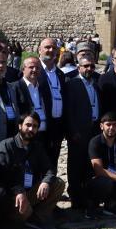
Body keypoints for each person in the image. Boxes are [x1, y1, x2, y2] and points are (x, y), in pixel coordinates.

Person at [0, 112, 65, 229]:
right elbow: (1, 175)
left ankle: (36, 219)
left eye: (35, 126)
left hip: (30, 192)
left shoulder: (37, 147)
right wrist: (18, 191)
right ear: (20, 126)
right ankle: (18, 218)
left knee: (58, 183)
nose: (31, 129)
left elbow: (49, 168)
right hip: (13, 195)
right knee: (23, 212)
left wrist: (46, 182)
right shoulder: (6, 145)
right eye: (28, 125)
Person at [64, 55, 103, 210]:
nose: (89, 69)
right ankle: (75, 197)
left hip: (94, 130)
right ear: (78, 67)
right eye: (86, 66)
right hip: (78, 132)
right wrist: (72, 131)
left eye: (92, 66)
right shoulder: (72, 84)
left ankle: (88, 196)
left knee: (89, 164)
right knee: (75, 165)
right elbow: (68, 110)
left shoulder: (96, 84)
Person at [86, 112, 116, 218]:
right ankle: (92, 206)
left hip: (115, 178)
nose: (111, 128)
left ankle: (111, 204)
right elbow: (98, 170)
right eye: (108, 124)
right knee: (105, 182)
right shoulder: (95, 142)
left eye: (114, 125)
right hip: (97, 179)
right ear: (101, 126)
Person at [14, 56, 62, 163]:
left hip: (45, 134)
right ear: (23, 69)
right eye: (31, 67)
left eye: (37, 67)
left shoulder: (44, 87)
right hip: (28, 135)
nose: (35, 70)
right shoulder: (16, 87)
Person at [36, 37, 67, 165]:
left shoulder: (60, 74)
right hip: (39, 127)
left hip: (56, 127)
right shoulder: (33, 70)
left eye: (54, 48)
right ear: (39, 50)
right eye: (47, 47)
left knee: (52, 163)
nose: (51, 50)